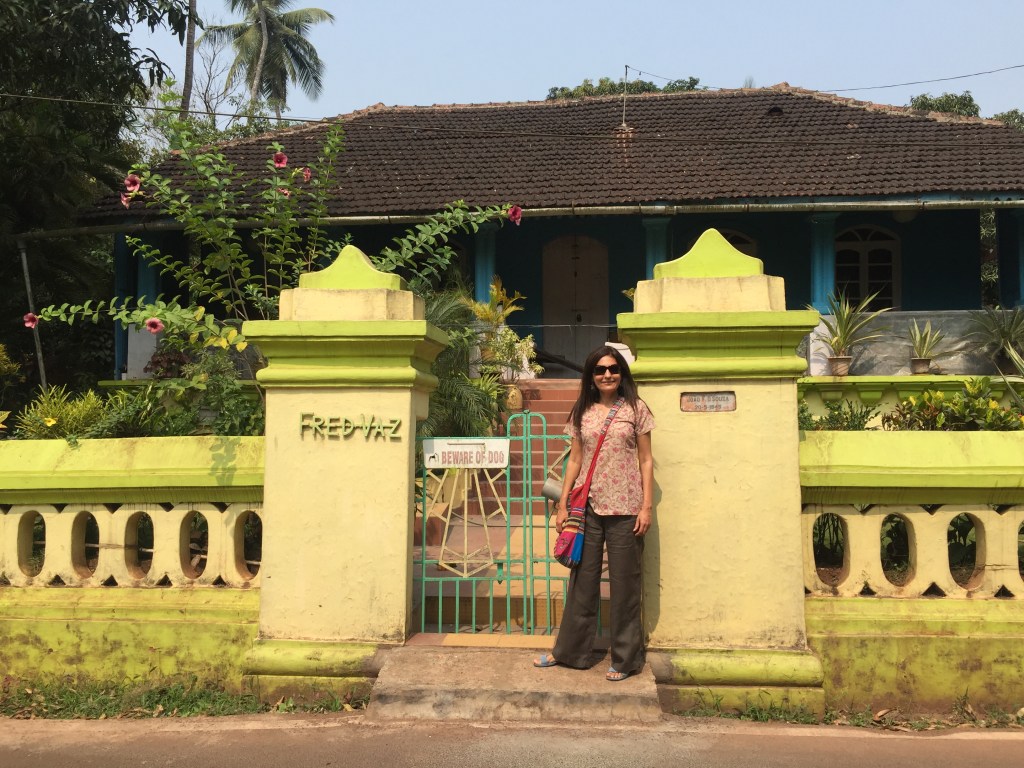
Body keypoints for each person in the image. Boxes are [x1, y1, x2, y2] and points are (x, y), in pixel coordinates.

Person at [533, 345, 655, 681]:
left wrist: (646, 507)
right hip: (587, 507)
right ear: (591, 375)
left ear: (621, 373)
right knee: (582, 583)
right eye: (600, 370)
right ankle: (571, 653)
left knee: (625, 585)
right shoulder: (582, 411)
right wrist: (563, 504)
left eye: (613, 369)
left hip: (626, 508)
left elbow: (646, 460)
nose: (607, 375)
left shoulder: (636, 409)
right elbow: (575, 459)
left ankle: (626, 660)